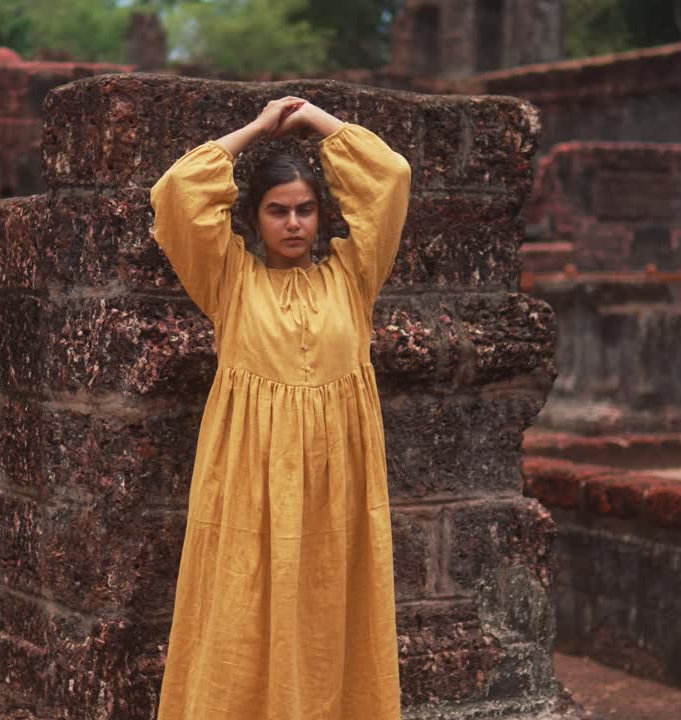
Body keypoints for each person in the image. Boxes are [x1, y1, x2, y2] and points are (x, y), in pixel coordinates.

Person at [150, 96, 412, 719]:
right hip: (248, 485)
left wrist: (317, 122)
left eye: (304, 210)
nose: (293, 223)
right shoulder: (229, 280)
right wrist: (260, 128)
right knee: (241, 615)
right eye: (277, 211)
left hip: (337, 489)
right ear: (254, 217)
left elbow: (391, 178)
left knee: (331, 619)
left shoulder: (355, 276)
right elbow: (178, 190)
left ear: (322, 216)